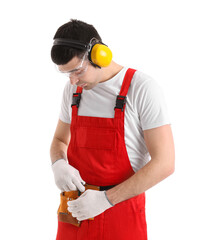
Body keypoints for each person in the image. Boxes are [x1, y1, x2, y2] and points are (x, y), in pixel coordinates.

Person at [50, 19, 175, 240]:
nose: (72, 81)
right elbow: (60, 139)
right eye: (66, 74)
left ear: (99, 55)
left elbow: (165, 163)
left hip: (121, 215)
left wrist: (106, 199)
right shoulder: (73, 92)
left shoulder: (141, 89)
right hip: (74, 212)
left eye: (77, 71)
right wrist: (58, 162)